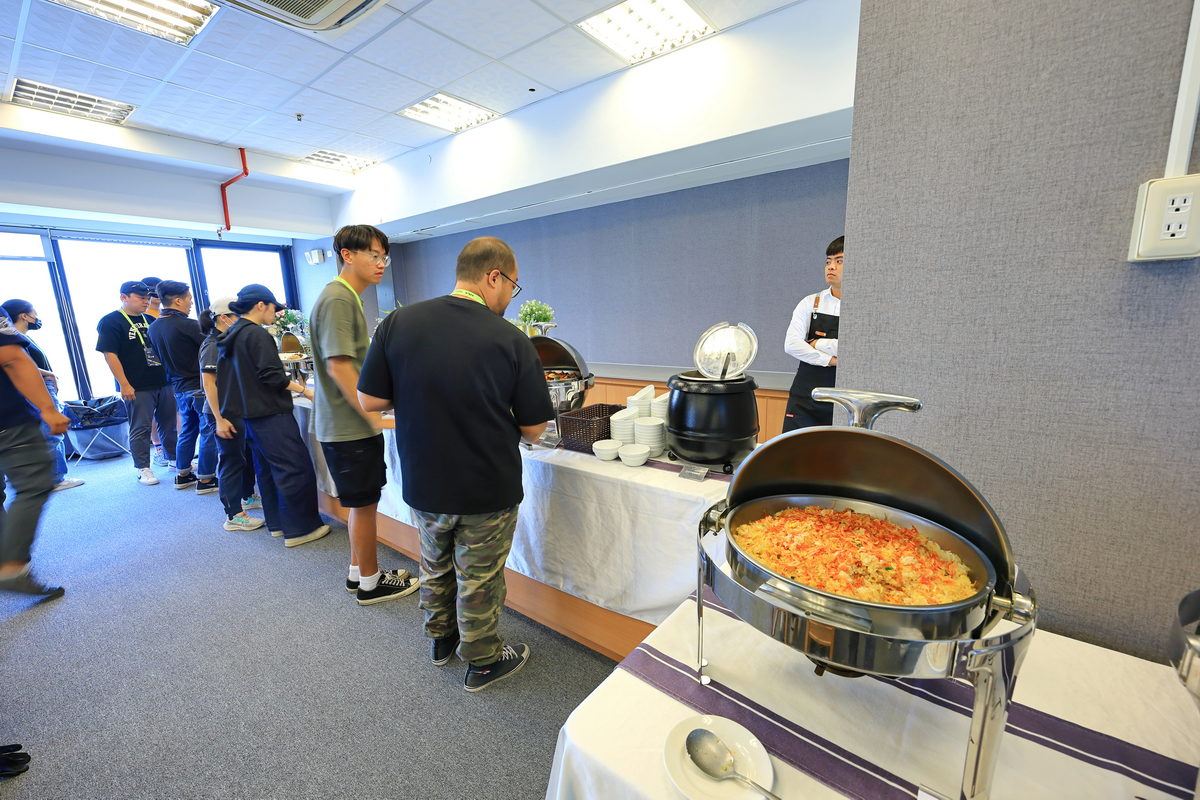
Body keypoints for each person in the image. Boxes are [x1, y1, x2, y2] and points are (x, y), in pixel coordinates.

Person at [358, 236, 554, 692]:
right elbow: (534, 429)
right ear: (493, 276)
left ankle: (441, 639)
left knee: (435, 563)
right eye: (513, 286)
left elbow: (370, 400)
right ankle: (483, 661)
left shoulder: (399, 323)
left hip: (425, 480)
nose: (510, 297)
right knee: (478, 576)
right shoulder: (511, 338)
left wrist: (418, 394)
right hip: (486, 484)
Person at [311, 224, 417, 605]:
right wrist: (373, 416)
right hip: (349, 427)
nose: (381, 263)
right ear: (347, 255)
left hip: (344, 425)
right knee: (365, 505)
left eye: (383, 256)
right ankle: (371, 583)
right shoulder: (339, 298)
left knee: (361, 504)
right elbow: (339, 366)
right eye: (374, 255)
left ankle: (358, 572)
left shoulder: (345, 297)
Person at [217, 284, 329, 547]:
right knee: (294, 468)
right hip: (270, 412)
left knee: (267, 470)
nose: (275, 313)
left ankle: (278, 524)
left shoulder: (232, 334)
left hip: (249, 415)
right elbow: (272, 376)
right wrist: (305, 391)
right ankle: (301, 529)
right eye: (273, 308)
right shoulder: (257, 334)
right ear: (260, 305)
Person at [0, 306, 70, 601]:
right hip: (8, 422)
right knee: (34, 484)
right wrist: (48, 409)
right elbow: (12, 357)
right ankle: (11, 569)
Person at [95, 280, 177, 485]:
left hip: (162, 380)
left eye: (148, 298)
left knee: (169, 424)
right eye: (141, 298)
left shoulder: (150, 320)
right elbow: (110, 355)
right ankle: (143, 468)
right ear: (123, 297)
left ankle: (174, 459)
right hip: (136, 384)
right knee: (140, 427)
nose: (146, 302)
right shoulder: (111, 321)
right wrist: (124, 384)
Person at [0, 299, 83, 492]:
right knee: (51, 435)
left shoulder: (23, 338)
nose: (37, 317)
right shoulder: (13, 340)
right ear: (24, 316)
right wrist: (48, 374)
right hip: (38, 390)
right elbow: (19, 365)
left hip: (42, 388)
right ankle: (55, 479)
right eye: (34, 313)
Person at [199, 300, 264, 532]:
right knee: (231, 461)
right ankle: (233, 515)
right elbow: (209, 384)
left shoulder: (228, 341)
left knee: (244, 457)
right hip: (222, 412)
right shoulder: (212, 345)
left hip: (237, 408)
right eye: (237, 316)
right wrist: (219, 419)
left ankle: (246, 496)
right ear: (223, 318)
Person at [147, 280, 217, 494]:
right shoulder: (189, 325)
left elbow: (154, 359)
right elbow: (210, 352)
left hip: (177, 387)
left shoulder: (154, 327)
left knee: (187, 430)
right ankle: (206, 479)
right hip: (199, 386)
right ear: (178, 300)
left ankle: (183, 474)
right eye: (189, 299)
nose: (191, 303)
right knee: (208, 431)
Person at [782, 236, 843, 432]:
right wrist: (831, 360)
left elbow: (854, 350)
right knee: (794, 449)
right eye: (828, 261)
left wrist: (817, 343)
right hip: (804, 399)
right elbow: (791, 345)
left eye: (839, 261)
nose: (831, 267)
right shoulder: (810, 302)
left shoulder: (863, 308)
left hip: (842, 402)